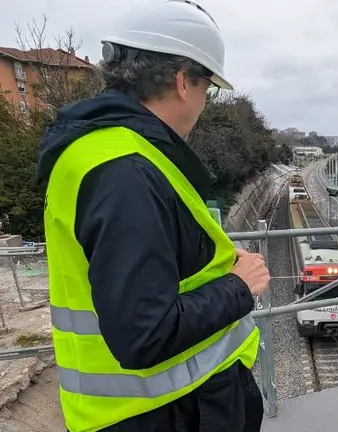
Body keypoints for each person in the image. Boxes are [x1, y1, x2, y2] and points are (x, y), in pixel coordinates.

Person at [36, 1, 270, 431]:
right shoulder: (125, 171)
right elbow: (145, 333)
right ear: (183, 82)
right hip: (166, 414)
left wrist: (210, 261)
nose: (204, 102)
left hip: (161, 411)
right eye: (207, 88)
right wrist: (239, 286)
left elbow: (132, 269)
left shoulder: (103, 151)